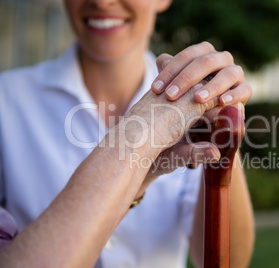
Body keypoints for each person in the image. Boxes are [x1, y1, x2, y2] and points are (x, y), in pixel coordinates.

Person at [0, 0, 254, 267]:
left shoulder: (193, 101)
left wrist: (223, 132)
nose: (101, 2)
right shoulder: (6, 99)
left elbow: (227, 261)